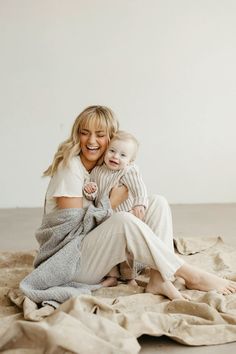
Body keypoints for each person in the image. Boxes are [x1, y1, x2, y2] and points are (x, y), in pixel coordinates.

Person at [20, 105, 236, 307]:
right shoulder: (70, 169)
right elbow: (70, 234)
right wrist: (113, 202)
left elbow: (129, 181)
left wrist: (134, 202)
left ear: (111, 138)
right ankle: (189, 274)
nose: (91, 140)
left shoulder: (102, 167)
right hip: (69, 262)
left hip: (90, 255)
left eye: (100, 134)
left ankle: (158, 278)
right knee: (123, 220)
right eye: (85, 132)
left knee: (157, 202)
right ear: (77, 135)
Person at [83, 130, 148, 287]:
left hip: (123, 219)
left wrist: (139, 203)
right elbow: (94, 197)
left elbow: (139, 187)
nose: (115, 157)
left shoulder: (127, 171)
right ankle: (111, 276)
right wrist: (90, 191)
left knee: (126, 251)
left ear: (130, 161)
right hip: (105, 218)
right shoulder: (97, 171)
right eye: (112, 151)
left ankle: (129, 277)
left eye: (123, 155)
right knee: (109, 250)